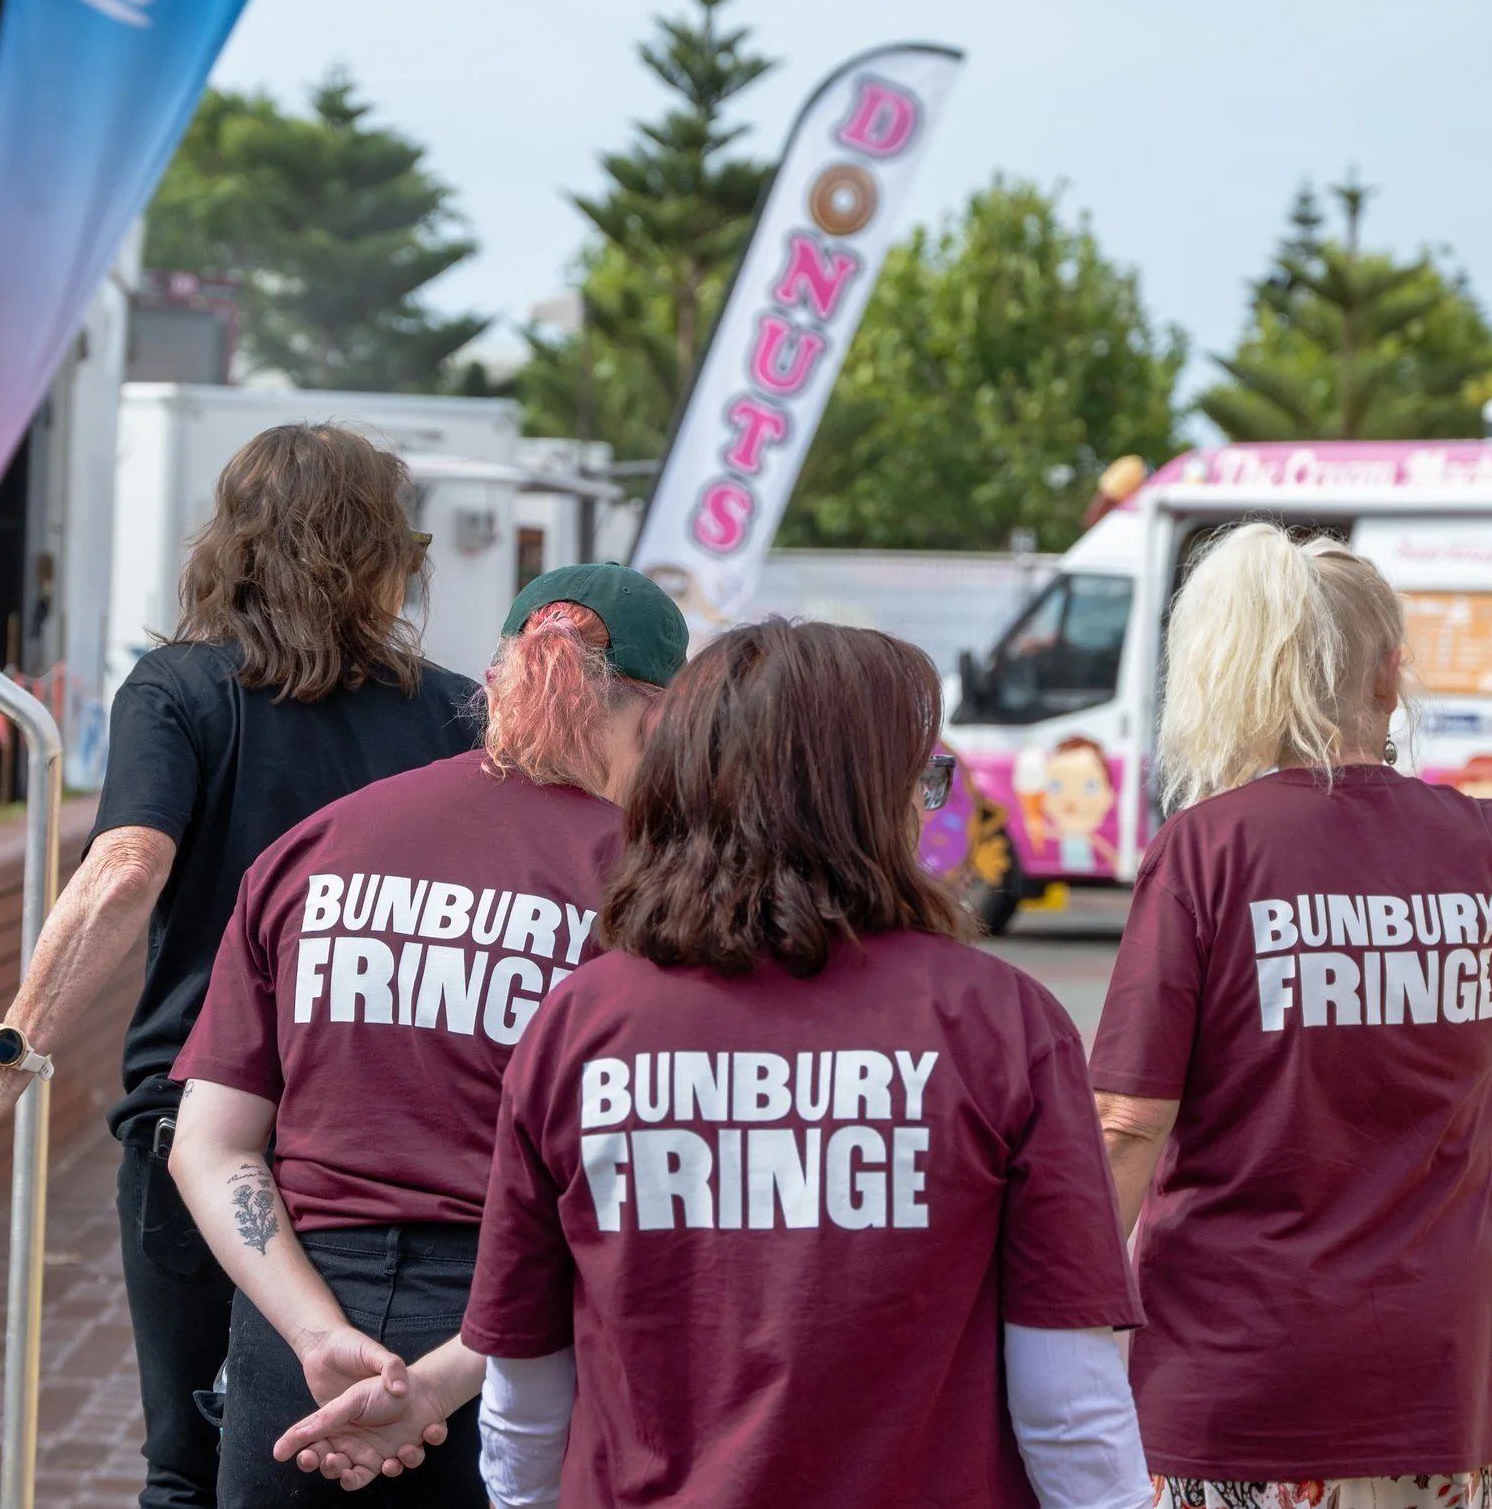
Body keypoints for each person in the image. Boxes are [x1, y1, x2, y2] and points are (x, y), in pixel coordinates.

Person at [280, 621, 1153, 1508]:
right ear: (863, 796)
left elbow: (529, 1385)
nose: (926, 809)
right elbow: (1067, 1396)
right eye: (920, 781)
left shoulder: (581, 1023)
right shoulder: (1002, 1023)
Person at [0, 425, 481, 1509]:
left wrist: (3, 1063)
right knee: (388, 1445)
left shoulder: (181, 689)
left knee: (189, 1458)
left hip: (201, 1128)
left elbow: (121, 871)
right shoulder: (451, 712)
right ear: (386, 552)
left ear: (235, 543)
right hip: (386, 1139)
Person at [1090, 523, 1492, 1509]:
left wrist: (1057, 1328)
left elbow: (1129, 1120)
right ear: (1391, 676)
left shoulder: (1206, 850)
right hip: (1427, 1378)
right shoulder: (1488, 845)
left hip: (1231, 1377)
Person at [164, 564, 685, 1506]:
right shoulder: (651, 886)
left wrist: (320, 1337)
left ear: (496, 683)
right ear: (657, 718)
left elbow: (210, 1144)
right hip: (529, 1349)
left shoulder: (316, 847)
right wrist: (442, 1375)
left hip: (299, 1340)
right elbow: (642, 1182)